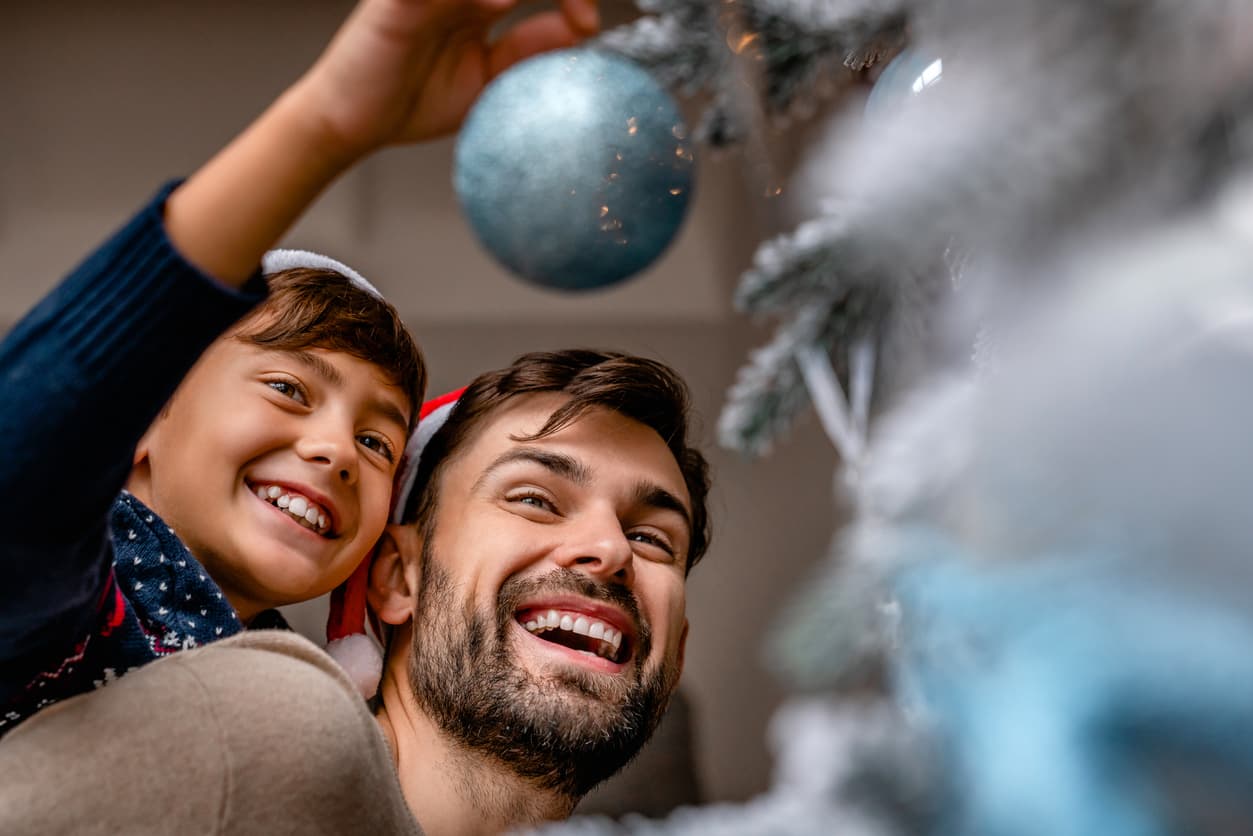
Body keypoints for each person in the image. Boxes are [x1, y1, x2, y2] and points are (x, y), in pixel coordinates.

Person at [0, 0, 599, 737]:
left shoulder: (302, 704)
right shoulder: (74, 587)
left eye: (379, 442)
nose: (336, 450)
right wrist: (325, 123)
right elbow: (29, 449)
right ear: (145, 415)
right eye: (288, 389)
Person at [0, 348, 712, 836]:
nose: (610, 549)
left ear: (672, 653)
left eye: (653, 540)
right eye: (534, 498)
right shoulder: (270, 730)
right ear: (398, 577)